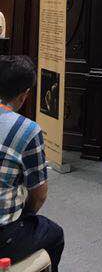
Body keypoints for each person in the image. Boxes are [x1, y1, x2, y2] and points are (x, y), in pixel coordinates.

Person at [0, 56, 64, 271]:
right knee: (54, 234)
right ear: (24, 95)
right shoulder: (27, 130)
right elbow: (39, 195)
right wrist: (24, 218)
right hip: (3, 238)